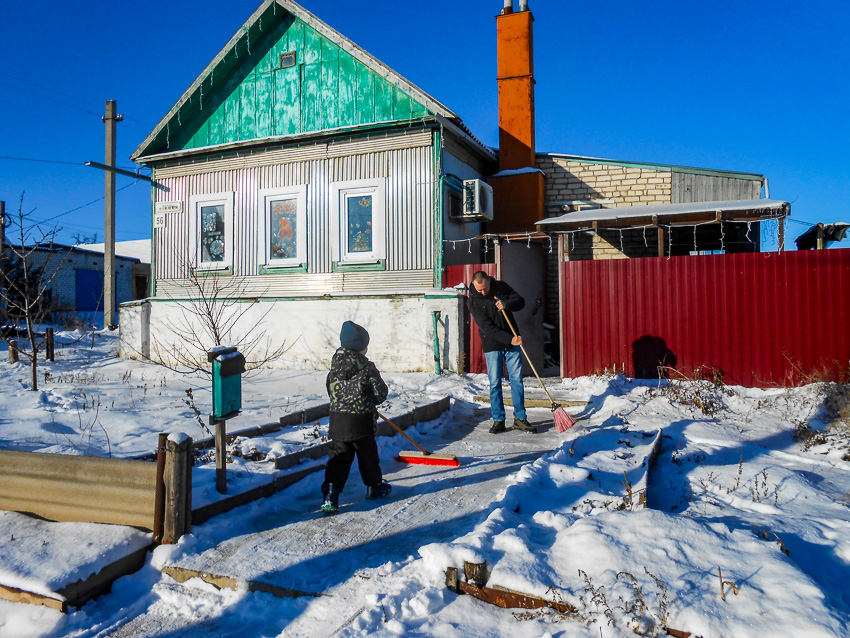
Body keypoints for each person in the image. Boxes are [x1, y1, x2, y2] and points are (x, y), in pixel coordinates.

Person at [321, 320, 392, 513]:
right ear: (361, 347)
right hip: (361, 423)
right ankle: (374, 487)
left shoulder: (333, 368)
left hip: (338, 422)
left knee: (338, 458)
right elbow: (380, 394)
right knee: (368, 457)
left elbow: (330, 391)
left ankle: (330, 494)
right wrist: (368, 400)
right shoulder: (367, 368)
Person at [467, 271, 535, 434]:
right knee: (495, 382)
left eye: (484, 288)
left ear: (489, 281)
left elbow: (520, 302)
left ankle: (520, 418)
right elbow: (487, 328)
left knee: (517, 380)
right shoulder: (474, 301)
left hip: (512, 341)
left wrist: (506, 303)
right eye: (479, 289)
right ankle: (498, 419)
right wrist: (509, 339)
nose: (482, 292)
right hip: (493, 344)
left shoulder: (501, 287)